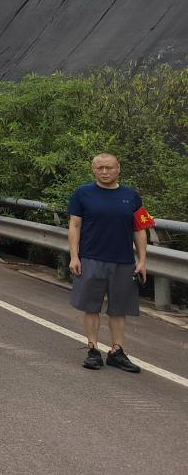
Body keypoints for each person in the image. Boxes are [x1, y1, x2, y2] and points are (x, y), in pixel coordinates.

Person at [68, 153, 150, 373]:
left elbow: (141, 229)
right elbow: (74, 225)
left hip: (123, 260)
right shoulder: (82, 193)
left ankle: (117, 351)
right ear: (93, 169)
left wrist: (142, 260)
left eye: (109, 167)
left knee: (119, 309)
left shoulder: (132, 196)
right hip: (91, 258)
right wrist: (74, 256)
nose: (104, 172)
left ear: (118, 168)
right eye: (100, 168)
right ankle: (93, 350)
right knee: (91, 306)